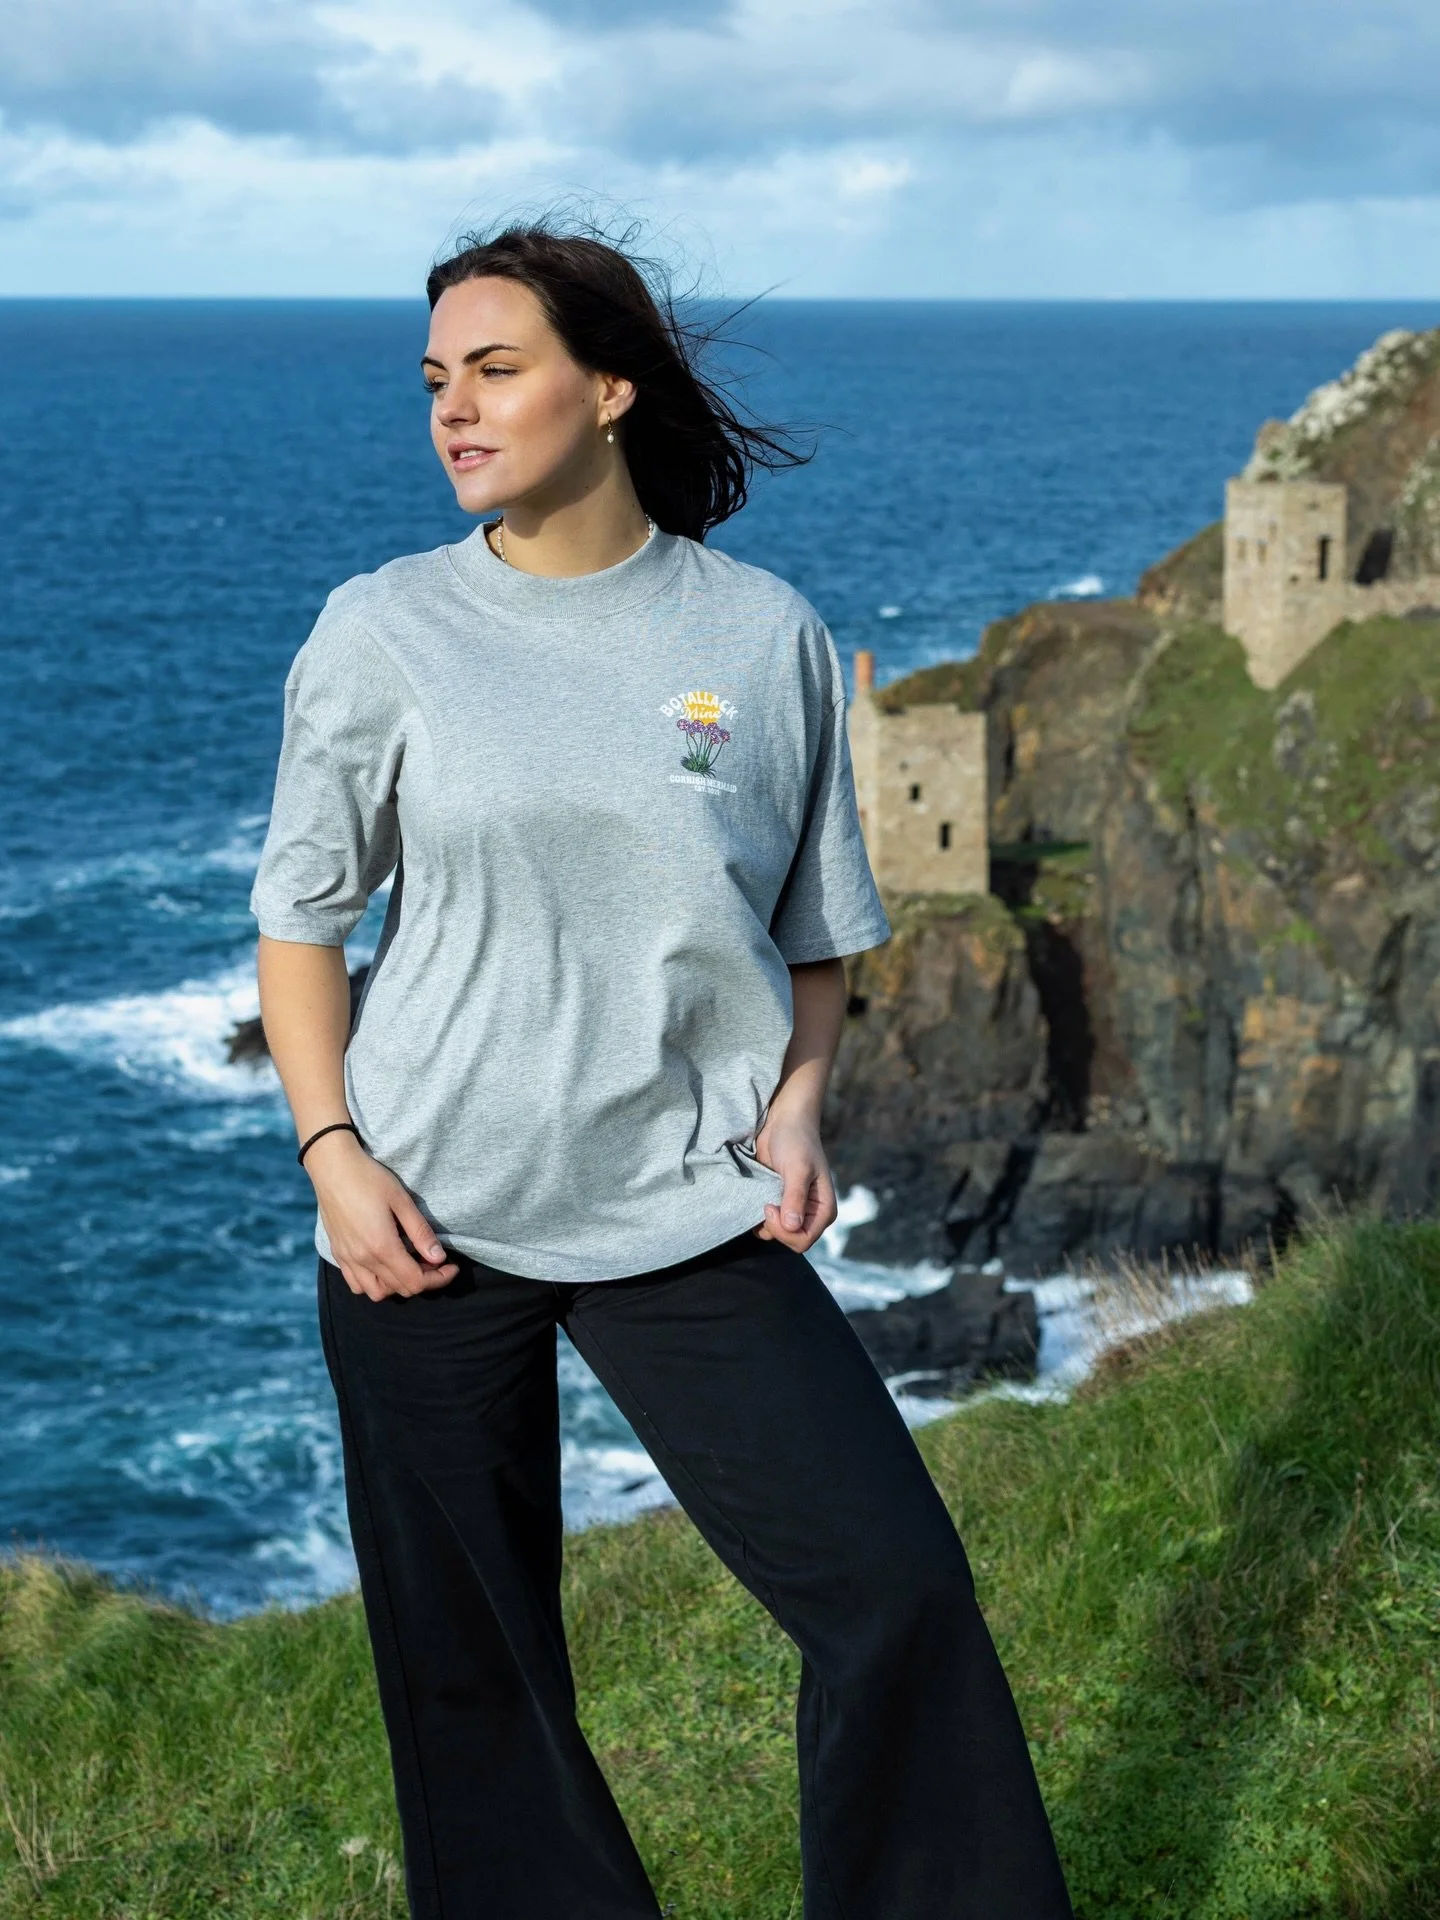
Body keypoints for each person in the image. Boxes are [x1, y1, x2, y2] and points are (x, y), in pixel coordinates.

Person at [248, 218, 1074, 1920]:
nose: (454, 412)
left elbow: (818, 925)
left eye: (497, 368)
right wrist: (333, 1150)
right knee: (474, 1688)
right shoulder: (385, 628)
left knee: (897, 1593)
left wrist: (798, 1100)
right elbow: (303, 917)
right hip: (424, 1213)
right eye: (434, 381)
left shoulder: (758, 634)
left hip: (682, 1212)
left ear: (608, 386)